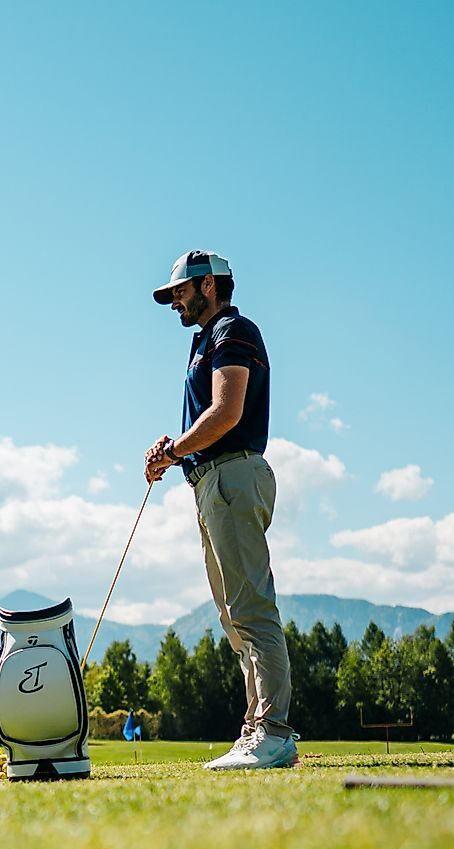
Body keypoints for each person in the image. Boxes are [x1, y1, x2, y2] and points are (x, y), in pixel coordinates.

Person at [143, 251, 297, 770]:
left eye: (180, 292)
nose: (175, 303)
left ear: (208, 285)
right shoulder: (207, 339)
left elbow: (226, 413)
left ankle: (273, 733)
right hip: (212, 480)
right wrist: (178, 449)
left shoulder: (233, 330)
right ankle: (256, 729)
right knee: (234, 617)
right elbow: (208, 420)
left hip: (233, 474)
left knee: (251, 609)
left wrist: (173, 451)